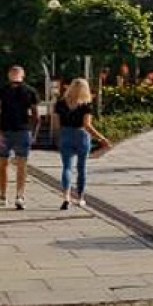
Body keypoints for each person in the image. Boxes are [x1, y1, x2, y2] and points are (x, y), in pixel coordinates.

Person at [54, 78, 112, 210]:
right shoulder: (86, 105)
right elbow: (87, 125)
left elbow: (56, 124)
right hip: (81, 136)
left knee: (67, 167)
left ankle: (66, 196)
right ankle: (80, 198)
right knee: (81, 168)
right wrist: (102, 139)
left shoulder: (60, 103)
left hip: (66, 134)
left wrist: (59, 137)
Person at [0, 65, 40, 210]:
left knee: (3, 163)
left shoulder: (0, 90)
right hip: (23, 131)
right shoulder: (30, 91)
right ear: (23, 75)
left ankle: (3, 196)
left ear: (9, 75)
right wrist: (34, 133)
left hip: (5, 130)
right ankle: (20, 195)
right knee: (22, 165)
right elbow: (36, 116)